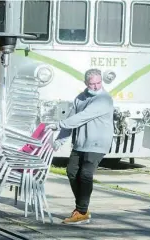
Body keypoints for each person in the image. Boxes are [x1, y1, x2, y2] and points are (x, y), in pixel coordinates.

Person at [47, 68, 114, 225]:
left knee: (85, 174)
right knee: (71, 172)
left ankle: (81, 211)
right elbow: (72, 120)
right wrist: (59, 141)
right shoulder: (80, 98)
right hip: (81, 143)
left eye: (98, 83)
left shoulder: (104, 99)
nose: (96, 86)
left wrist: (57, 125)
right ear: (85, 83)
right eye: (92, 84)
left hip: (98, 143)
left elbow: (82, 117)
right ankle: (82, 209)